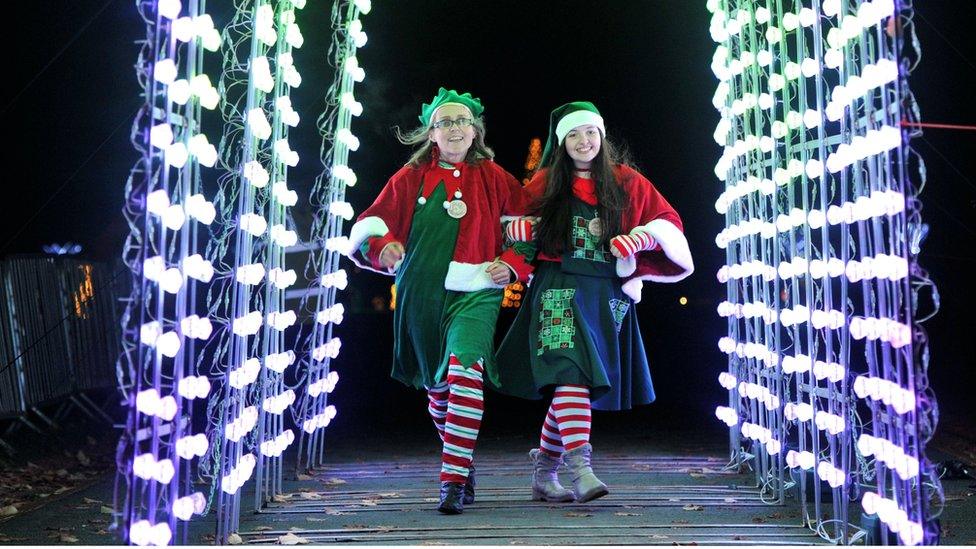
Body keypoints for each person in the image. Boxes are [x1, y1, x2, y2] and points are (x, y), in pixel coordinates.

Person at [493, 101, 694, 503]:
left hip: (606, 293)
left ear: (601, 136)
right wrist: (515, 247)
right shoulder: (545, 182)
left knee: (577, 382)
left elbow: (667, 223)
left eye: (589, 132)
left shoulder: (628, 181)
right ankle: (581, 469)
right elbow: (515, 229)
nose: (583, 141)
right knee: (571, 372)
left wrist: (640, 239)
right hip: (557, 288)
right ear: (561, 142)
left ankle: (544, 472)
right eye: (573, 134)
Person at [345, 88, 533, 514]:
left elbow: (527, 232)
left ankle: (450, 481)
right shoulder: (409, 179)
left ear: (475, 131)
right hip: (421, 294)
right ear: (431, 134)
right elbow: (371, 226)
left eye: (462, 121)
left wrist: (511, 263)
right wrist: (384, 248)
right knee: (438, 386)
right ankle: (463, 463)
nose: (454, 128)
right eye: (445, 122)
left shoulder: (497, 178)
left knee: (466, 370)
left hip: (477, 290)